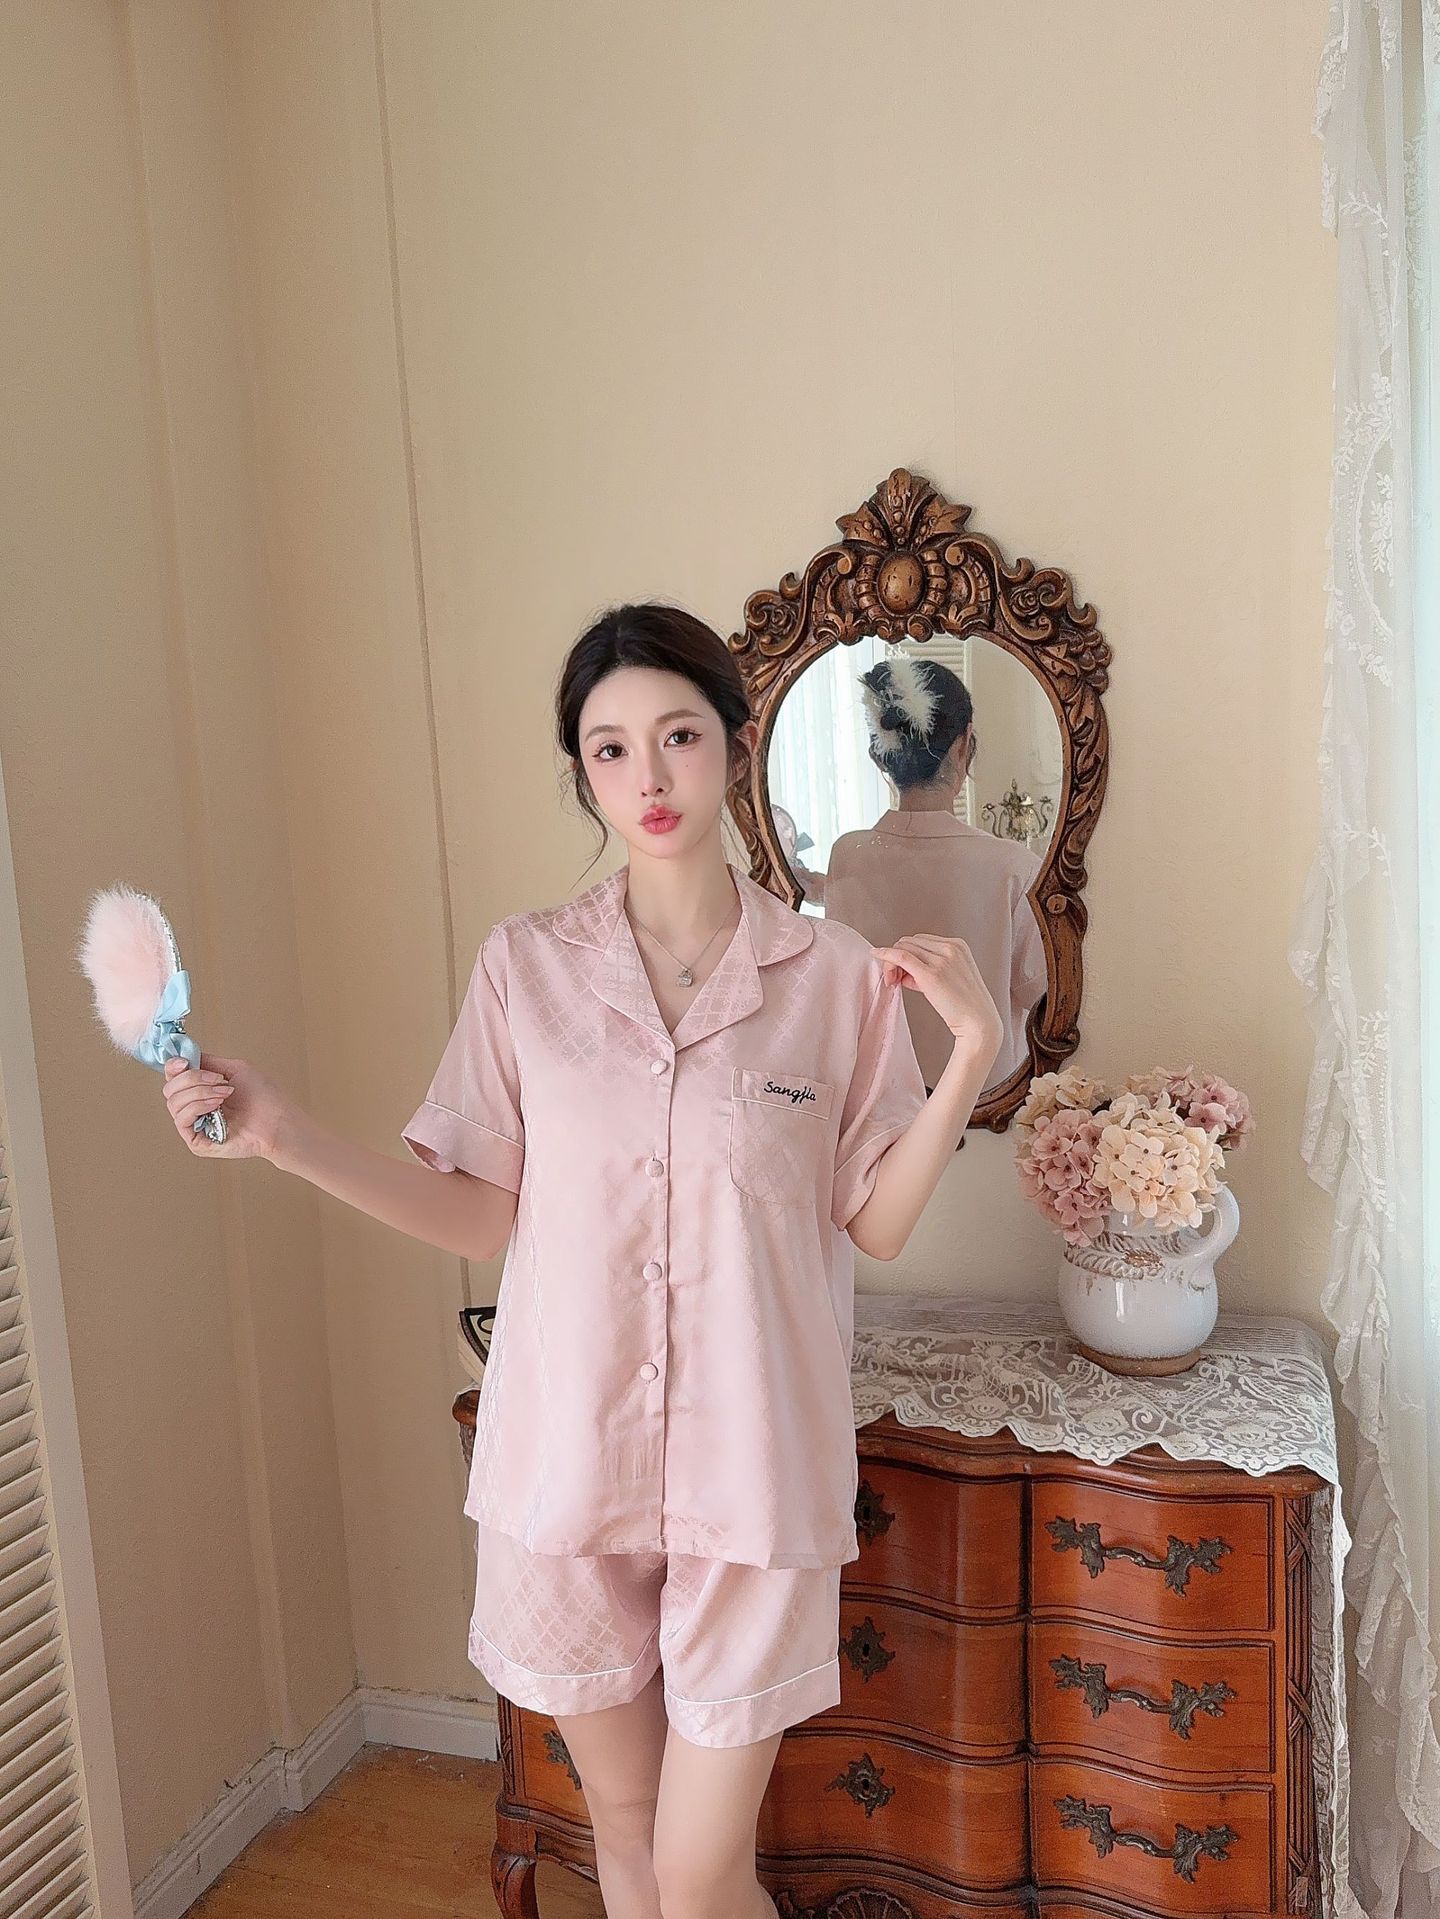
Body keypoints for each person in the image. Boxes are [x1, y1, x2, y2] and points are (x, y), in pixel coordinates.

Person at [160, 602, 1005, 1919]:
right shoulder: (526, 968)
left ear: (736, 746)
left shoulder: (832, 975)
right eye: (611, 749)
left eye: (678, 735)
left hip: (755, 1468)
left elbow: (876, 1220)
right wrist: (282, 1135)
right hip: (566, 1457)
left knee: (702, 1870)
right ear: (584, 773)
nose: (649, 775)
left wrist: (970, 1056)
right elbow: (476, 1215)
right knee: (623, 1823)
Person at [795, 653, 1047, 1093]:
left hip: (876, 1096)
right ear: (964, 744)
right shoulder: (1014, 866)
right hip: (986, 1099)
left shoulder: (848, 855)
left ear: (879, 756)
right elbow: (1042, 997)